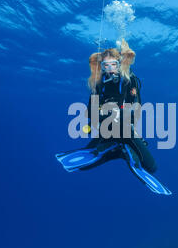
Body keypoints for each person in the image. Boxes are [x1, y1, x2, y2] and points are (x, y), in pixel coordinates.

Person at [56, 39, 171, 195]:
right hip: (105, 126)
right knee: (83, 164)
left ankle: (119, 148)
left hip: (124, 127)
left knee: (152, 167)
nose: (110, 69)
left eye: (114, 64)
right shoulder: (98, 84)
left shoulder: (130, 81)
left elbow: (136, 106)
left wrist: (125, 120)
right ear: (101, 66)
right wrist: (93, 122)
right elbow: (91, 110)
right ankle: (118, 149)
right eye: (106, 65)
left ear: (119, 63)